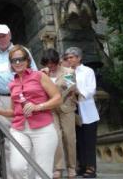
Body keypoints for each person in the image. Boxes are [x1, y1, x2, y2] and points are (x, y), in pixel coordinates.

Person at [0, 45, 61, 179]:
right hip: (19, 128)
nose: (17, 62)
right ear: (10, 64)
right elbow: (14, 111)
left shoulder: (39, 76)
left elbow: (57, 98)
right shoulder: (12, 83)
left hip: (43, 128)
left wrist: (39, 106)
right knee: (17, 167)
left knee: (42, 171)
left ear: (27, 60)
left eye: (20, 59)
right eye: (14, 60)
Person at [0, 24, 37, 178]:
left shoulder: (22, 52)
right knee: (4, 140)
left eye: (4, 35)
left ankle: (28, 175)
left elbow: (35, 74)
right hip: (1, 100)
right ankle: (10, 175)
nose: (1, 39)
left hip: (22, 99)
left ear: (10, 35)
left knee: (26, 137)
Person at [40, 49, 78, 179]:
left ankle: (72, 167)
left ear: (57, 61)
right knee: (55, 137)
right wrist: (42, 76)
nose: (50, 65)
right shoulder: (42, 74)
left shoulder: (68, 72)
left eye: (52, 63)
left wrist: (54, 91)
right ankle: (58, 167)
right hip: (51, 109)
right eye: (47, 63)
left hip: (66, 107)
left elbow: (70, 88)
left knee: (69, 137)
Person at [64, 47, 99, 178]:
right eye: (67, 58)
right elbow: (67, 89)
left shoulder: (88, 71)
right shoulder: (67, 73)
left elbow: (92, 89)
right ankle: (81, 165)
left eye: (71, 57)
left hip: (87, 109)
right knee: (78, 140)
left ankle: (91, 168)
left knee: (89, 140)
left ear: (79, 58)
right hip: (73, 109)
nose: (69, 60)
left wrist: (79, 92)